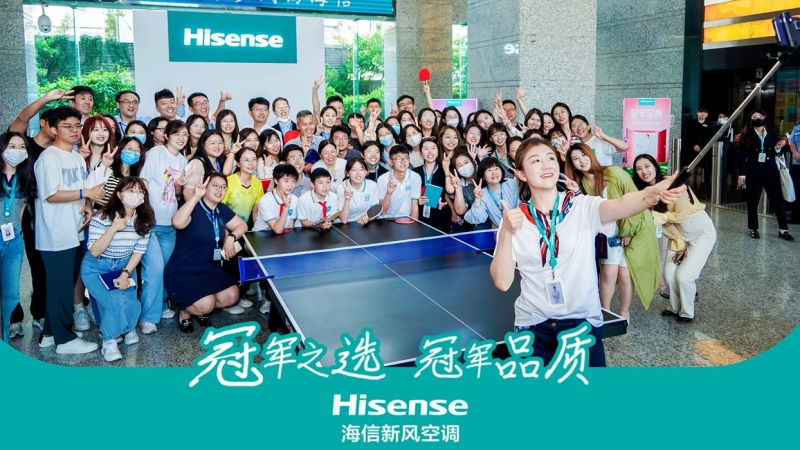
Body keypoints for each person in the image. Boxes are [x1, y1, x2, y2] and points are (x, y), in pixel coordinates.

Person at [490, 138, 685, 367]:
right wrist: (507, 233)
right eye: (536, 161)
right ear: (521, 174)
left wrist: (649, 195)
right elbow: (502, 282)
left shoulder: (582, 206)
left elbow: (619, 205)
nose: (546, 165)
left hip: (582, 325)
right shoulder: (513, 220)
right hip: (532, 327)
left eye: (551, 158)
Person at [34, 106, 105, 354]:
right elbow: (50, 194)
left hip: (75, 231)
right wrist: (86, 193)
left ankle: (49, 335)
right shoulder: (49, 158)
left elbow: (83, 189)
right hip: (55, 234)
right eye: (67, 126)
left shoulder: (75, 156)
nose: (74, 130)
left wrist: (88, 205)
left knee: (63, 284)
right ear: (53, 130)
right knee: (60, 288)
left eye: (77, 126)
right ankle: (65, 341)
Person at [565, 143, 660, 319]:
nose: (582, 161)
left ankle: (624, 314)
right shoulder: (582, 183)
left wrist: (628, 232)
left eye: (584, 155)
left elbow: (636, 200)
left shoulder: (614, 172)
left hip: (635, 227)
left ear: (591, 155)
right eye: (576, 159)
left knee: (625, 274)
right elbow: (588, 209)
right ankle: (604, 313)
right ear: (573, 165)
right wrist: (577, 192)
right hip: (610, 233)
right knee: (608, 273)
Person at [633, 154, 716, 323]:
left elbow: (680, 216)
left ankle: (687, 312)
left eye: (647, 166)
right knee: (669, 275)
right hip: (677, 236)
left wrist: (653, 216)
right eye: (639, 169)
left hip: (701, 233)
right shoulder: (645, 194)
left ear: (655, 166)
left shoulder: (673, 185)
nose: (644, 171)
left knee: (684, 276)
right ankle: (675, 307)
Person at [81, 177, 153, 361]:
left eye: (140, 192)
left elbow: (139, 251)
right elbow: (94, 251)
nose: (136, 195)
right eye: (131, 191)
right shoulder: (102, 217)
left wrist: (125, 274)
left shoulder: (144, 220)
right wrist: (113, 229)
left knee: (130, 300)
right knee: (113, 301)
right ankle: (109, 341)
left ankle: (127, 328)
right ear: (120, 194)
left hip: (123, 265)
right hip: (96, 267)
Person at [166, 174, 248, 332]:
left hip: (208, 268)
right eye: (215, 185)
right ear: (205, 187)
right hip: (183, 270)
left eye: (223, 187)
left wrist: (231, 238)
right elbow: (177, 222)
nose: (220, 190)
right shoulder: (194, 206)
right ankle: (185, 312)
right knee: (206, 304)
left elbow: (242, 226)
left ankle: (198, 308)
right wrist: (196, 196)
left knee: (232, 296)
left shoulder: (221, 209)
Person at [138, 119, 189, 333]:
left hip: (170, 223)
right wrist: (145, 213)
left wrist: (178, 187)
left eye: (185, 135)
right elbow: (144, 182)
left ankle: (159, 305)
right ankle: (147, 317)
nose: (181, 138)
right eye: (176, 134)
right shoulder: (155, 154)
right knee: (154, 269)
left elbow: (175, 193)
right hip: (150, 223)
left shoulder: (183, 160)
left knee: (166, 268)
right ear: (166, 135)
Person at [0, 132, 36, 342]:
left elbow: (22, 209)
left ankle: (4, 337)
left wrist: (17, 231)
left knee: (11, 294)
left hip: (14, 240)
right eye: (12, 146)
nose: (17, 151)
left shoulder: (25, 178)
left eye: (22, 147)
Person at [737, 109, 793, 240]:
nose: (758, 118)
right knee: (753, 201)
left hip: (770, 170)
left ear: (765, 118)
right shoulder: (746, 135)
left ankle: (783, 229)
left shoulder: (772, 133)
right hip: (753, 171)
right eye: (755, 116)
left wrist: (778, 147)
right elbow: (742, 156)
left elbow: (777, 152)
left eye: (761, 116)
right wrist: (742, 174)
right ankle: (754, 228)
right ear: (750, 120)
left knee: (777, 200)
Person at [465, 157, 519, 228]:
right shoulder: (482, 193)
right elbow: (478, 218)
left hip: (519, 226)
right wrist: (477, 199)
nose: (494, 173)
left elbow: (523, 205)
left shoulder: (512, 184)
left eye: (496, 169)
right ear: (483, 176)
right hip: (499, 230)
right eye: (489, 170)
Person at [412, 137, 453, 233]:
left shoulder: (445, 170)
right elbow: (409, 196)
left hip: (441, 218)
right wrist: (417, 200)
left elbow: (450, 191)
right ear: (420, 153)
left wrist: (446, 169)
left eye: (433, 148)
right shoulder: (414, 172)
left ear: (438, 152)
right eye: (426, 148)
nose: (430, 152)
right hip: (420, 218)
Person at [253, 163, 300, 233]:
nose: (290, 185)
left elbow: (290, 226)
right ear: (276, 180)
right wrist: (286, 208)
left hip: (282, 235)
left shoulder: (295, 200)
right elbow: (277, 230)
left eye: (293, 181)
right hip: (261, 234)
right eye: (286, 181)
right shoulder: (265, 201)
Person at [378, 145, 421, 220]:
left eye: (406, 158)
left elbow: (414, 206)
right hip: (386, 219)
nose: (403, 162)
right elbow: (383, 211)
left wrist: (414, 224)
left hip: (405, 219)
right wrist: (388, 193)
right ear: (391, 162)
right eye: (398, 159)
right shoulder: (382, 179)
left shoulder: (415, 177)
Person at [223, 147, 264, 224]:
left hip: (245, 227)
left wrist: (257, 229)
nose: (251, 163)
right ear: (238, 163)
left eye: (254, 159)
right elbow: (220, 209)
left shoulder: (258, 183)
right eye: (246, 160)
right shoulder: (228, 182)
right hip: (225, 225)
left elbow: (255, 211)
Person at [338, 158, 380, 224]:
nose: (358, 173)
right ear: (347, 173)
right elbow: (344, 220)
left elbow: (375, 211)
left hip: (366, 223)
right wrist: (347, 200)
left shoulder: (372, 185)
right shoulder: (342, 187)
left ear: (366, 172)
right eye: (353, 170)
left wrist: (367, 219)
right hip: (348, 224)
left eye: (361, 169)